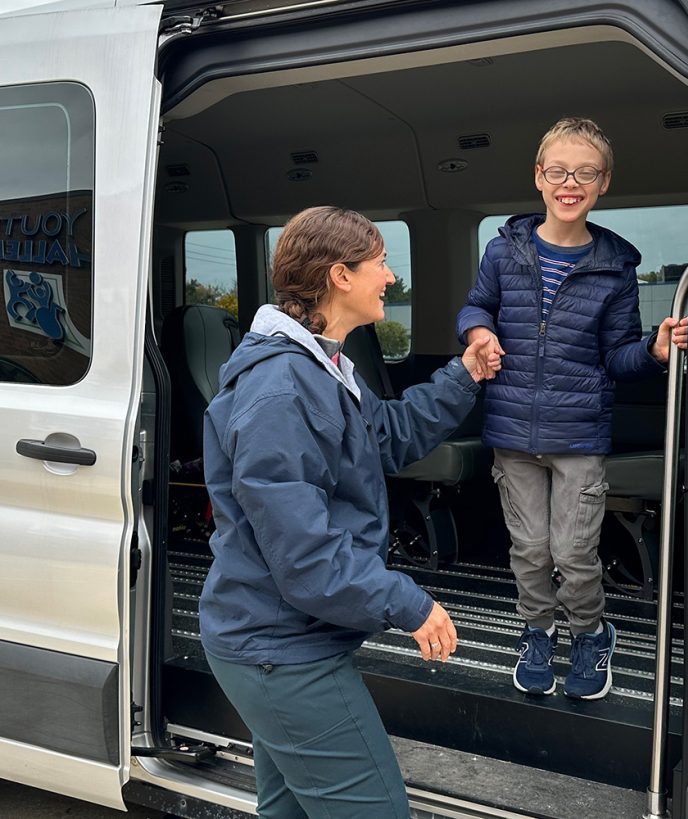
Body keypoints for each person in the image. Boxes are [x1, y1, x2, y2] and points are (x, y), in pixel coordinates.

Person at [199, 206, 499, 818]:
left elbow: (384, 434)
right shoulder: (282, 389)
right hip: (279, 650)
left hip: (274, 641)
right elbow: (303, 552)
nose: (390, 278)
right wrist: (407, 602)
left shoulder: (319, 364)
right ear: (340, 275)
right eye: (381, 264)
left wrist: (464, 375)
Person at [455, 117, 688, 701]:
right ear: (539, 177)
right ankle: (537, 630)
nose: (570, 182)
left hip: (580, 436)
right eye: (558, 170)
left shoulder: (615, 269)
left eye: (585, 172)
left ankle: (589, 632)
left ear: (603, 182)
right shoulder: (503, 252)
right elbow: (475, 307)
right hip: (513, 432)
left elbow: (617, 355)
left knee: (575, 553)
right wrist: (479, 333)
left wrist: (654, 352)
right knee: (529, 551)